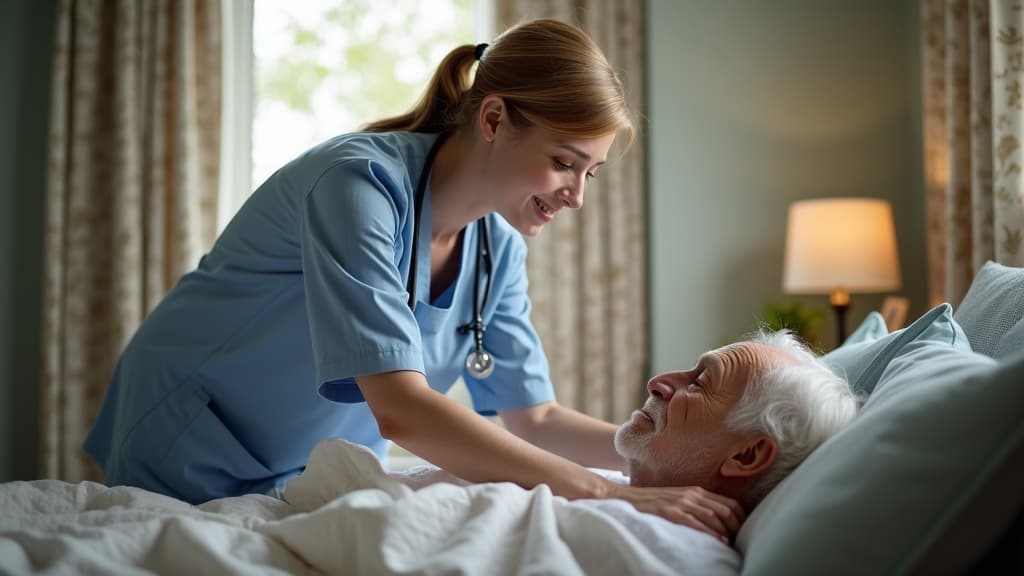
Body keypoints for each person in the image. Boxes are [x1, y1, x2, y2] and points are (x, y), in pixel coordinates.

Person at [82, 18, 746, 541]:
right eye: (563, 163)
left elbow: (533, 415)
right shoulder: (357, 185)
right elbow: (399, 408)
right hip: (193, 434)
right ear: (492, 119)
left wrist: (666, 451)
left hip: (298, 469)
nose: (576, 196)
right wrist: (612, 491)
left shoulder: (496, 250)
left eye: (590, 173)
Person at [615, 330, 860, 513]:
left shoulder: (643, 540)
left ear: (746, 456)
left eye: (699, 384)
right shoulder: (618, 499)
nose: (656, 382)